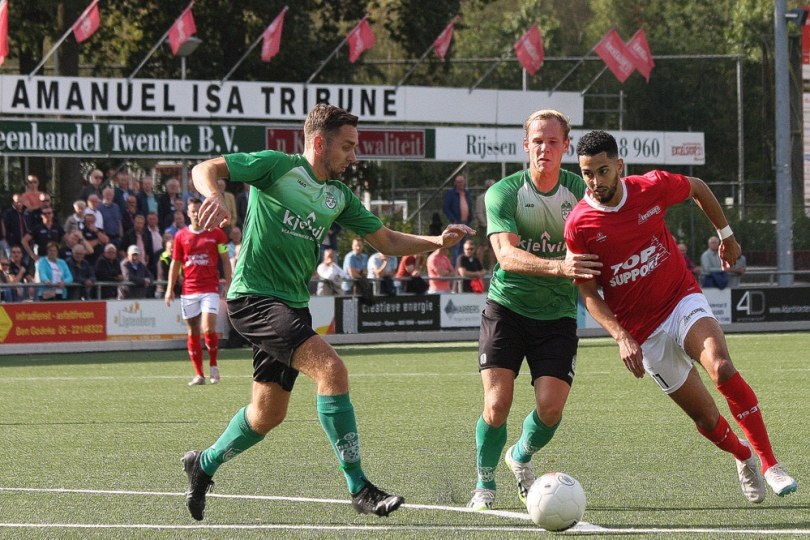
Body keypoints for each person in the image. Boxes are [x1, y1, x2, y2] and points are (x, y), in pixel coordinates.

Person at [180, 103, 473, 522]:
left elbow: (386, 240)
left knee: (267, 414)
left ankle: (203, 464)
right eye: (348, 147)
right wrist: (213, 194)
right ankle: (359, 487)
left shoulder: (339, 196)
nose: (354, 157)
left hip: (291, 304)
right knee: (332, 370)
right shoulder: (276, 166)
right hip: (254, 297)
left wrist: (436, 241)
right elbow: (206, 167)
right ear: (319, 143)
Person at [566, 129, 797, 503]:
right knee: (706, 419)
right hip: (644, 332)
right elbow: (589, 294)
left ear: (619, 166)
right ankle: (744, 456)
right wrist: (622, 336)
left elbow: (698, 187)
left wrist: (726, 234)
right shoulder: (580, 225)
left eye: (603, 171)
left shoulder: (652, 187)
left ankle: (771, 465)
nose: (594, 182)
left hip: (680, 299)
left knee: (720, 366)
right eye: (587, 173)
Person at [467, 109, 601, 511]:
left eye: (553, 141)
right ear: (526, 145)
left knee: (551, 408)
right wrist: (560, 266)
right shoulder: (504, 193)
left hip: (558, 315)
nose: (544, 148)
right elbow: (506, 255)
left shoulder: (582, 191)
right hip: (506, 310)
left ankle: (520, 454)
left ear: (566, 147)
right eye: (537, 141)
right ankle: (484, 484)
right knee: (497, 404)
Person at [165, 197, 231, 386]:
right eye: (192, 211)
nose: (195, 214)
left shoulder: (216, 234)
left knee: (208, 328)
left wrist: (228, 282)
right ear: (187, 213)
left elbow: (225, 259)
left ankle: (213, 366)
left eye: (198, 211)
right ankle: (199, 374)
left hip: (210, 288)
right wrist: (170, 288)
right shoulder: (180, 236)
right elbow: (175, 263)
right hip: (189, 289)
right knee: (192, 330)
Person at [443, 174, 473, 262]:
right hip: (456, 223)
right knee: (456, 245)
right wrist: (453, 219)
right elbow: (446, 207)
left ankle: (463, 266)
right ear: (455, 183)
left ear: (464, 183)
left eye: (461, 182)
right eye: (458, 182)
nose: (460, 184)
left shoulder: (467, 193)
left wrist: (470, 217)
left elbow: (470, 206)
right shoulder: (451, 193)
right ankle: (455, 267)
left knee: (465, 245)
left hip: (466, 223)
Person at [474, 179, 497, 271]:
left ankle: (492, 267)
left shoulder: (497, 197)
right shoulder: (481, 198)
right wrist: (485, 224)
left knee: (493, 247)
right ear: (486, 187)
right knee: (482, 246)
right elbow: (479, 212)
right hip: (484, 226)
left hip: (495, 225)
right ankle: (479, 266)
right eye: (489, 186)